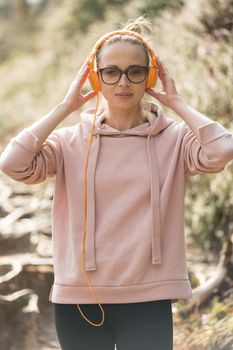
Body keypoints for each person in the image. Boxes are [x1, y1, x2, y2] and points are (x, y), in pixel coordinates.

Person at [1, 16, 233, 350]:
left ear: (149, 76)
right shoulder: (68, 142)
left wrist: (176, 102)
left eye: (135, 71)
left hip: (148, 297)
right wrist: (64, 107)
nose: (123, 82)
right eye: (111, 71)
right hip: (79, 299)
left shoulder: (176, 139)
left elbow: (223, 150)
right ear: (95, 77)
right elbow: (11, 163)